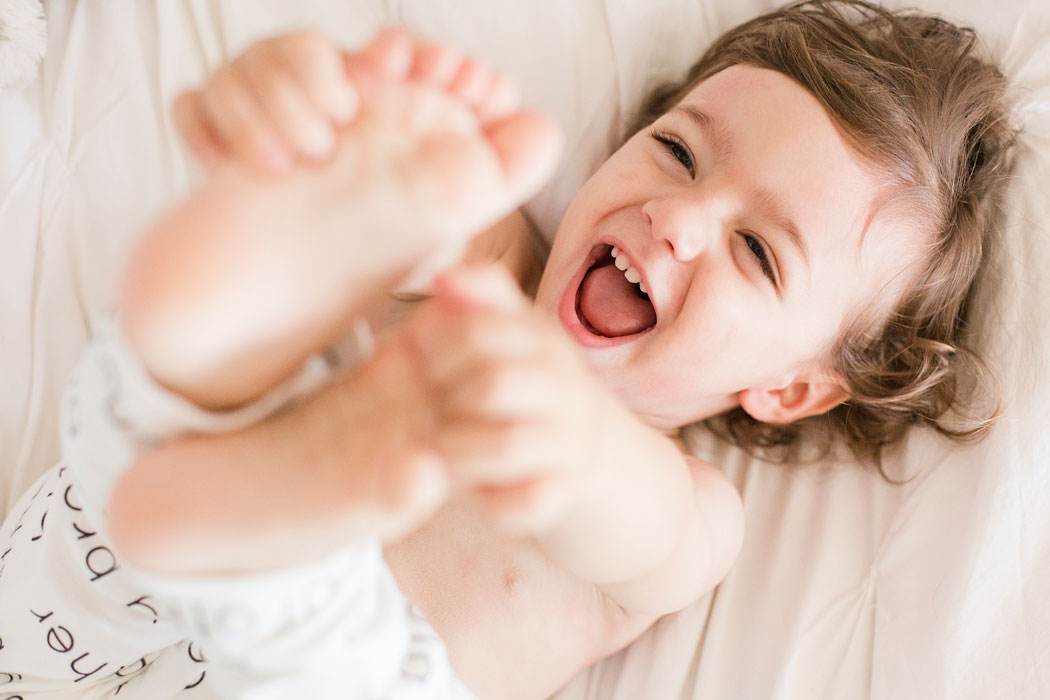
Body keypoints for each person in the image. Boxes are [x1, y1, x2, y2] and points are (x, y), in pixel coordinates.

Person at [0, 1, 1015, 698]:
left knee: (315, 638)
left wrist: (573, 438)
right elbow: (412, 225)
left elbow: (638, 525)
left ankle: (283, 498)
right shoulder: (486, 266)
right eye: (678, 149)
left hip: (330, 668)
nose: (680, 217)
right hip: (83, 605)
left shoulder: (691, 506)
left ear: (788, 388)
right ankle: (234, 405)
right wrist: (329, 141)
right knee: (136, 466)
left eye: (757, 250)